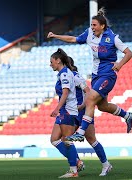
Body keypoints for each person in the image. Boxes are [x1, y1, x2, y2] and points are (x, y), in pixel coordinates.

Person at [47, 7, 132, 141]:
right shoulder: (89, 34)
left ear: (102, 26)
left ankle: (80, 132)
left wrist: (119, 64)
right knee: (102, 106)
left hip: (108, 75)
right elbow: (73, 39)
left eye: (94, 25)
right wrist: (55, 36)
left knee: (90, 99)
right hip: (96, 76)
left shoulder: (113, 38)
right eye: (91, 25)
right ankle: (127, 115)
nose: (92, 27)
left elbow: (129, 53)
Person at [68, 56, 112, 176]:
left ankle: (106, 164)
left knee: (91, 139)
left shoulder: (75, 76)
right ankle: (77, 163)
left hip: (82, 113)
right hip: (73, 113)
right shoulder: (65, 77)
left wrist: (82, 106)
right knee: (66, 138)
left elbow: (88, 92)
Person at [49, 48, 79, 178]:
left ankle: (73, 170)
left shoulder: (65, 74)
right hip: (65, 110)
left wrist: (57, 108)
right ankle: (76, 162)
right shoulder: (62, 73)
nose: (50, 64)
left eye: (52, 61)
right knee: (54, 139)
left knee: (67, 140)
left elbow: (66, 92)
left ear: (58, 60)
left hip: (67, 110)